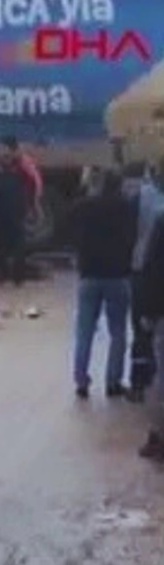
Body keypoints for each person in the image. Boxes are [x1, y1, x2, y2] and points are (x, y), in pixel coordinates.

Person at [69, 168, 137, 400]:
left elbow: (72, 229)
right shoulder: (126, 207)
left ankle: (81, 381)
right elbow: (132, 238)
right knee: (118, 331)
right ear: (119, 186)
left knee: (85, 331)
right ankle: (113, 382)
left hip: (88, 275)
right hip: (117, 276)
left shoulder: (84, 206)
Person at [130, 158, 164, 402]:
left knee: (142, 329)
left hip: (143, 267)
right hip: (147, 266)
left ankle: (140, 383)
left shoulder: (142, 197)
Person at [0, 137, 35, 285]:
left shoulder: (21, 163)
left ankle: (17, 277)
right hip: (2, 207)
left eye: (2, 147)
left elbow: (33, 182)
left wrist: (31, 204)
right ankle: (2, 276)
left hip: (15, 206)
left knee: (17, 243)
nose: (0, 151)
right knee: (2, 243)